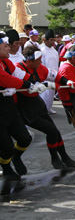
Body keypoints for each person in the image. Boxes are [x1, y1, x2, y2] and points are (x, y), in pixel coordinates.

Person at [16, 46, 75, 170]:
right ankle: (54, 157)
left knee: (55, 131)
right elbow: (27, 87)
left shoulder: (40, 68)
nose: (41, 62)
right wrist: (48, 85)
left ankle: (64, 156)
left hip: (37, 104)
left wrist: (67, 82)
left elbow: (55, 76)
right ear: (29, 61)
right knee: (51, 130)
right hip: (24, 108)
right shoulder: (18, 69)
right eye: (38, 60)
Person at [0, 33, 40, 180]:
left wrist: (36, 83)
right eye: (3, 43)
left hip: (9, 107)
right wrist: (28, 85)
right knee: (6, 147)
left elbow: (18, 73)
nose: (7, 45)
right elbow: (5, 79)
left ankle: (15, 158)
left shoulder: (5, 62)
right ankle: (5, 166)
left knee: (24, 138)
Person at [40, 29, 59, 114]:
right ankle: (43, 109)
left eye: (54, 40)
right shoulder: (41, 50)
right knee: (45, 94)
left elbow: (56, 63)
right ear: (45, 40)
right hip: (44, 75)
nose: (53, 42)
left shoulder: (54, 51)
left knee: (51, 93)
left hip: (53, 75)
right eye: (51, 40)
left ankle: (49, 107)